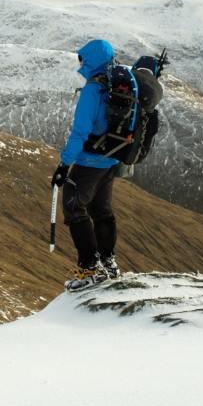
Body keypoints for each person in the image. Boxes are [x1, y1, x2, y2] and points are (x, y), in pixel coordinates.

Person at [50, 39, 123, 291]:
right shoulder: (116, 85)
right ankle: (108, 263)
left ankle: (89, 269)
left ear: (90, 60)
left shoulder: (93, 90)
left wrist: (64, 165)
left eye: (82, 58)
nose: (80, 62)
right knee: (101, 209)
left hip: (91, 160)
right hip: (112, 158)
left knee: (73, 205)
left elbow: (80, 133)